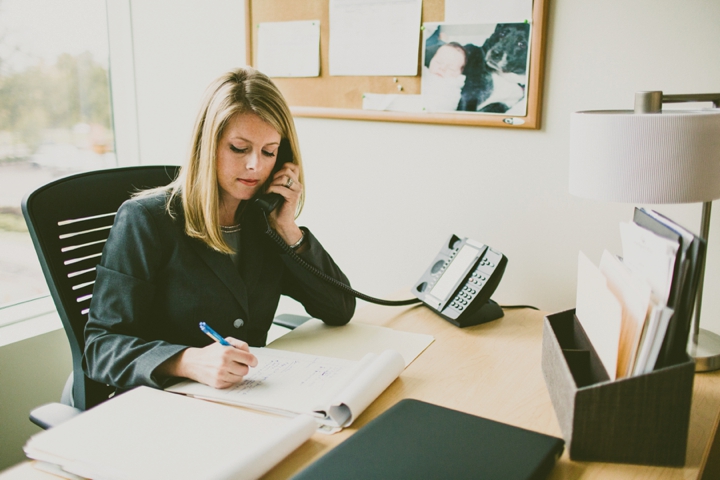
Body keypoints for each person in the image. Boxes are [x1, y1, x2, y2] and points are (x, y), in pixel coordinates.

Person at [83, 67, 356, 393]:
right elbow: (100, 347)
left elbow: (339, 309)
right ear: (207, 145)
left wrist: (286, 226)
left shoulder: (264, 223)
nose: (255, 165)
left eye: (269, 151)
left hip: (249, 395)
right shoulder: (146, 220)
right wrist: (186, 360)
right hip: (165, 401)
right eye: (239, 149)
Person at [422, 42, 467, 112]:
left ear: (459, 74)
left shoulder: (451, 89)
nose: (442, 68)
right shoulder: (424, 72)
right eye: (438, 62)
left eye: (451, 68)